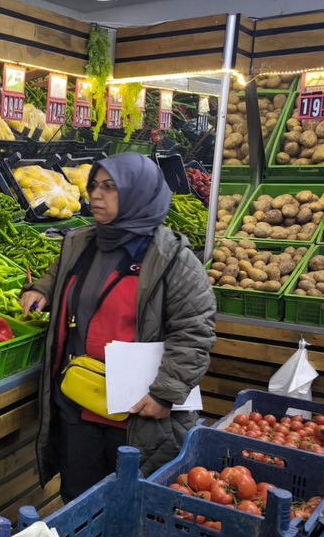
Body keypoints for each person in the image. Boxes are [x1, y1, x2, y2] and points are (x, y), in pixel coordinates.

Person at [20, 153, 216, 502]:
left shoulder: (174, 259)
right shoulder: (82, 243)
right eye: (94, 185)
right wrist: (41, 290)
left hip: (138, 415)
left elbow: (194, 332)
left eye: (110, 188)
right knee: (79, 498)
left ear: (139, 193)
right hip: (81, 402)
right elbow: (61, 274)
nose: (96, 194)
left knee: (130, 506)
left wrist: (165, 394)